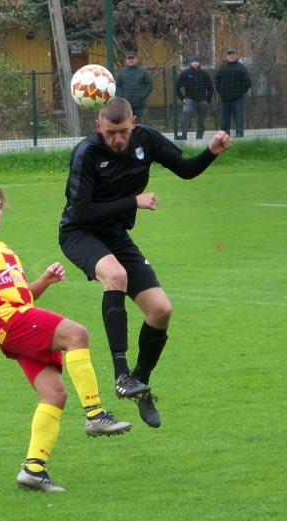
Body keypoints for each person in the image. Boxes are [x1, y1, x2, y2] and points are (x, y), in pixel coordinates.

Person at [0, 185, 131, 494]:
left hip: (20, 319)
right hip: (9, 321)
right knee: (77, 333)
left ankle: (33, 469)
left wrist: (44, 282)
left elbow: (23, 296)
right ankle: (95, 414)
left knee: (54, 394)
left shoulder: (6, 249)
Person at [58, 97, 231, 428]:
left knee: (161, 310)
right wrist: (132, 201)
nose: (118, 139)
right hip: (79, 233)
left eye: (123, 132)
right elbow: (81, 211)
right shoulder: (87, 153)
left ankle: (139, 383)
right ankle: (121, 373)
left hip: (116, 236)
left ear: (133, 123)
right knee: (116, 275)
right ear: (98, 127)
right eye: (110, 133)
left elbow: (186, 169)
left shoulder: (146, 140)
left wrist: (211, 151)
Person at [175, 55, 214, 140]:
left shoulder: (204, 74)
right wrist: (183, 98)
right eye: (193, 61)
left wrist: (208, 100)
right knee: (185, 115)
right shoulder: (185, 73)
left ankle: (199, 137)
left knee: (201, 121)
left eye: (196, 61)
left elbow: (210, 88)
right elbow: (177, 86)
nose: (195, 63)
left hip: (202, 100)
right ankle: (184, 135)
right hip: (189, 100)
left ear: (199, 63)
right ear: (190, 63)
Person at [214, 48, 251, 137]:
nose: (231, 56)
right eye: (230, 54)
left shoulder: (241, 68)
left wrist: (240, 92)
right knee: (224, 120)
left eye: (233, 54)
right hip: (225, 99)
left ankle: (239, 135)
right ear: (227, 56)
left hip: (238, 99)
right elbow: (217, 81)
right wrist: (221, 92)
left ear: (236, 56)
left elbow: (248, 82)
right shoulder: (222, 67)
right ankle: (225, 137)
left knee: (239, 119)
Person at [115, 52, 154, 122]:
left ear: (136, 59)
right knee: (126, 122)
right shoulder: (121, 72)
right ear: (126, 60)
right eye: (129, 58)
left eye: (132, 58)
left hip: (139, 104)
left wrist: (142, 96)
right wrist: (122, 96)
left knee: (138, 124)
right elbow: (117, 86)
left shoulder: (142, 72)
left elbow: (150, 85)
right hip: (125, 104)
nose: (131, 60)